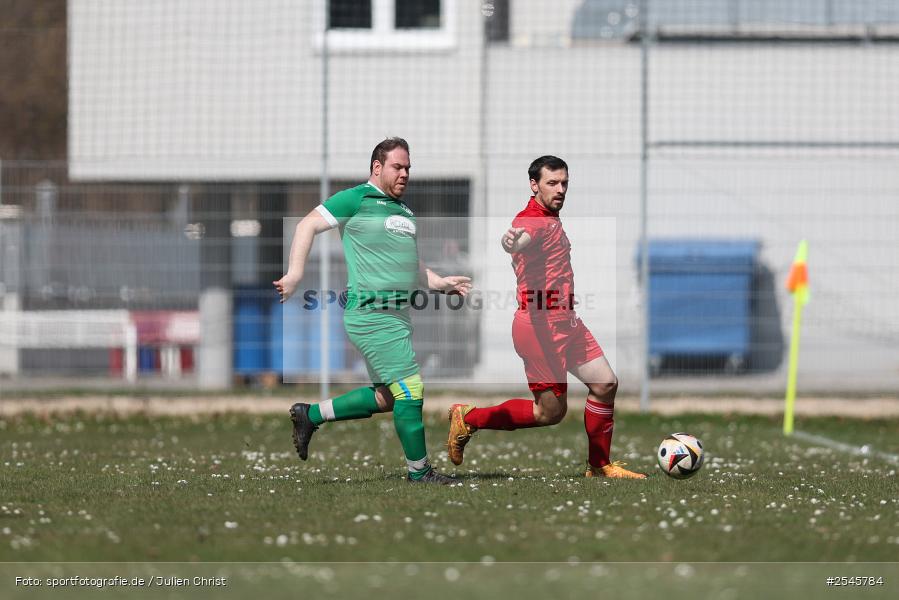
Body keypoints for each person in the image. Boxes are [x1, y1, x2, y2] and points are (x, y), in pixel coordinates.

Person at [274, 137, 471, 485]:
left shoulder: (404, 211)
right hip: (371, 315)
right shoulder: (356, 198)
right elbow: (307, 225)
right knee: (411, 390)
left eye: (408, 167)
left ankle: (311, 414)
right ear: (377, 168)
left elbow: (409, 264)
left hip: (398, 316)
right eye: (398, 166)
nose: (405, 173)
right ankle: (420, 472)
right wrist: (295, 274)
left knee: (387, 397)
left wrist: (439, 283)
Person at [446, 155, 645, 479]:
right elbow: (518, 238)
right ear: (534, 185)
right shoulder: (533, 219)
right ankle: (469, 419)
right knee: (548, 413)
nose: (561, 189)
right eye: (552, 183)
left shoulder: (551, 217)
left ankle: (599, 465)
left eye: (564, 182)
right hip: (539, 329)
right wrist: (511, 242)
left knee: (605, 384)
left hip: (567, 322)